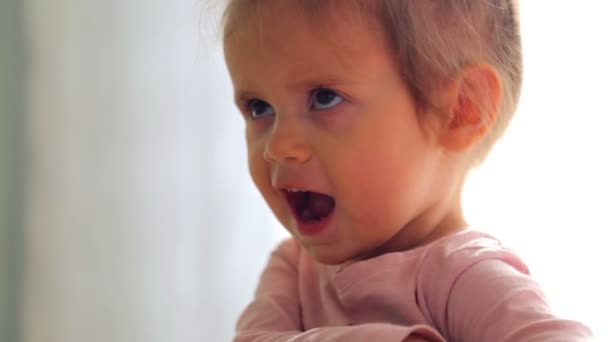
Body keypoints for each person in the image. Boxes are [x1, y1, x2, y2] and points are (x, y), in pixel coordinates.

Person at [221, 0, 594, 340]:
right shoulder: (294, 269)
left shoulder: (469, 279)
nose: (277, 147)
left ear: (462, 110)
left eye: (324, 98)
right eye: (259, 108)